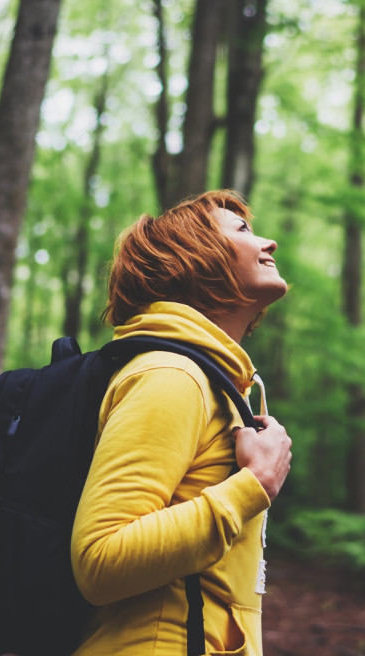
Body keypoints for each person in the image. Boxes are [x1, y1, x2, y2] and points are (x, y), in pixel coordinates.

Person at [70, 190, 293, 655]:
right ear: (196, 259)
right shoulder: (171, 377)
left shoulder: (208, 381)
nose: (270, 243)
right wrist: (254, 485)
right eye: (245, 232)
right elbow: (99, 559)